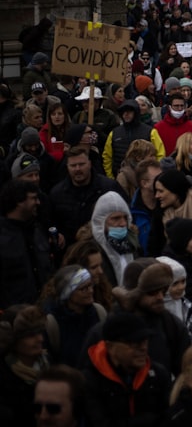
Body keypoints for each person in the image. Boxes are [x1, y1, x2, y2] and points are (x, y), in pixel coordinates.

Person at [81, 311, 172, 426]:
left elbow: (168, 418)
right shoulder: (89, 380)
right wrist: (149, 420)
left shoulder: (159, 374)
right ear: (110, 347)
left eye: (145, 341)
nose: (143, 348)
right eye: (134, 343)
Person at [107, 258, 192, 375]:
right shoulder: (109, 328)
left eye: (163, 291)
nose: (160, 297)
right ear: (134, 294)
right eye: (152, 292)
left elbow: (185, 374)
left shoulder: (171, 325)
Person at [49, 146, 126, 245]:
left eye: (81, 164)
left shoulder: (109, 188)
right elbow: (52, 222)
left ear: (89, 164)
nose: (77, 169)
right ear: (67, 167)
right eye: (73, 165)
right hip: (72, 251)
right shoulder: (57, 194)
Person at [39, 265, 106, 366]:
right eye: (84, 288)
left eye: (90, 285)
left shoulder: (99, 312)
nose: (91, 291)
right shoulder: (52, 323)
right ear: (68, 293)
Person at [0, 179, 51, 307]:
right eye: (33, 198)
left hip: (43, 308)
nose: (38, 202)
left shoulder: (37, 231)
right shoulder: (3, 238)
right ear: (19, 202)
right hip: (15, 316)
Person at [0, 305, 51, 426]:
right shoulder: (3, 376)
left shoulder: (49, 362)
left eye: (39, 332)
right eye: (30, 335)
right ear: (13, 340)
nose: (40, 339)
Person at [102, 99, 165, 178]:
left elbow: (160, 155)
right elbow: (107, 157)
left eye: (129, 111)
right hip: (120, 178)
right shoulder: (114, 133)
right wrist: (111, 178)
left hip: (145, 177)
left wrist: (155, 175)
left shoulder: (151, 132)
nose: (126, 114)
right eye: (123, 112)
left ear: (136, 113)